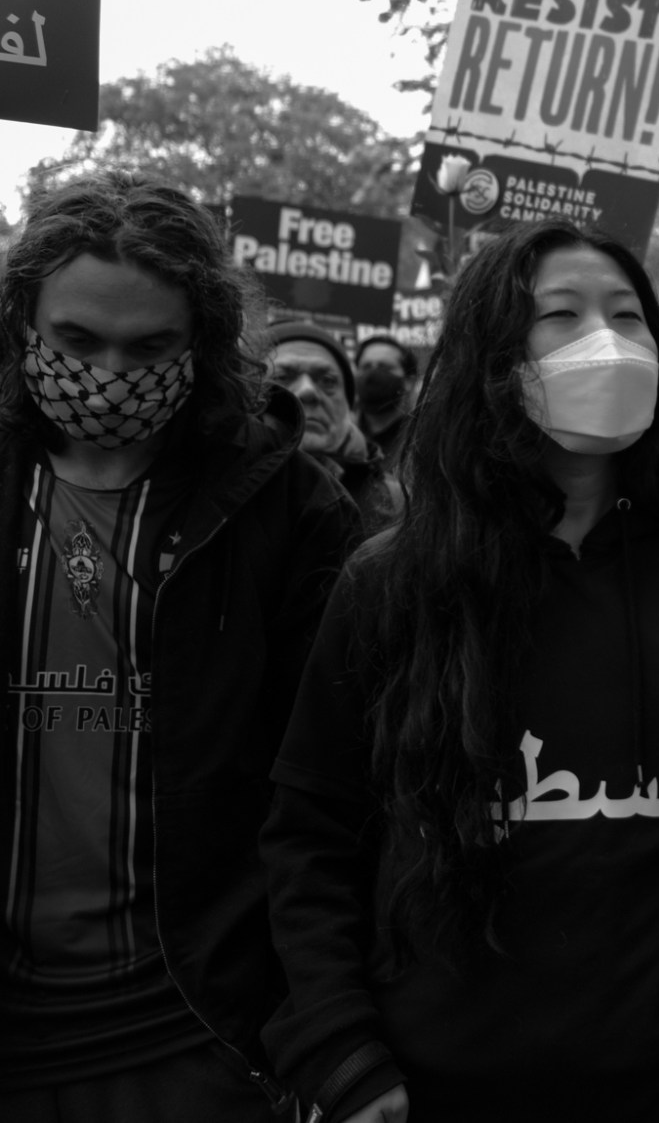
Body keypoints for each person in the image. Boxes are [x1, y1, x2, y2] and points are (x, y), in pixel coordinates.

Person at [260, 221, 659, 1123]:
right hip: (450, 1083)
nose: (605, 340)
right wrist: (341, 1050)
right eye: (561, 315)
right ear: (496, 359)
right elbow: (311, 834)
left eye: (627, 315)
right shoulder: (393, 583)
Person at [0, 174, 361, 1121]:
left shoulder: (289, 510)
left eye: (150, 347)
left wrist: (326, 1028)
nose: (111, 374)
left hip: (198, 1035)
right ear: (21, 320)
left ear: (202, 343)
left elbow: (327, 795)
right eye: (76, 341)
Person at [266, 321, 404, 534]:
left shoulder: (397, 505)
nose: (307, 391)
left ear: (348, 405)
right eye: (283, 377)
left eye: (328, 380)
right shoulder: (213, 483)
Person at [351, 335, 418, 464]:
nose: (372, 375)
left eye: (385, 368)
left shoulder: (421, 441)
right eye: (366, 367)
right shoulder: (341, 435)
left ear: (409, 381)